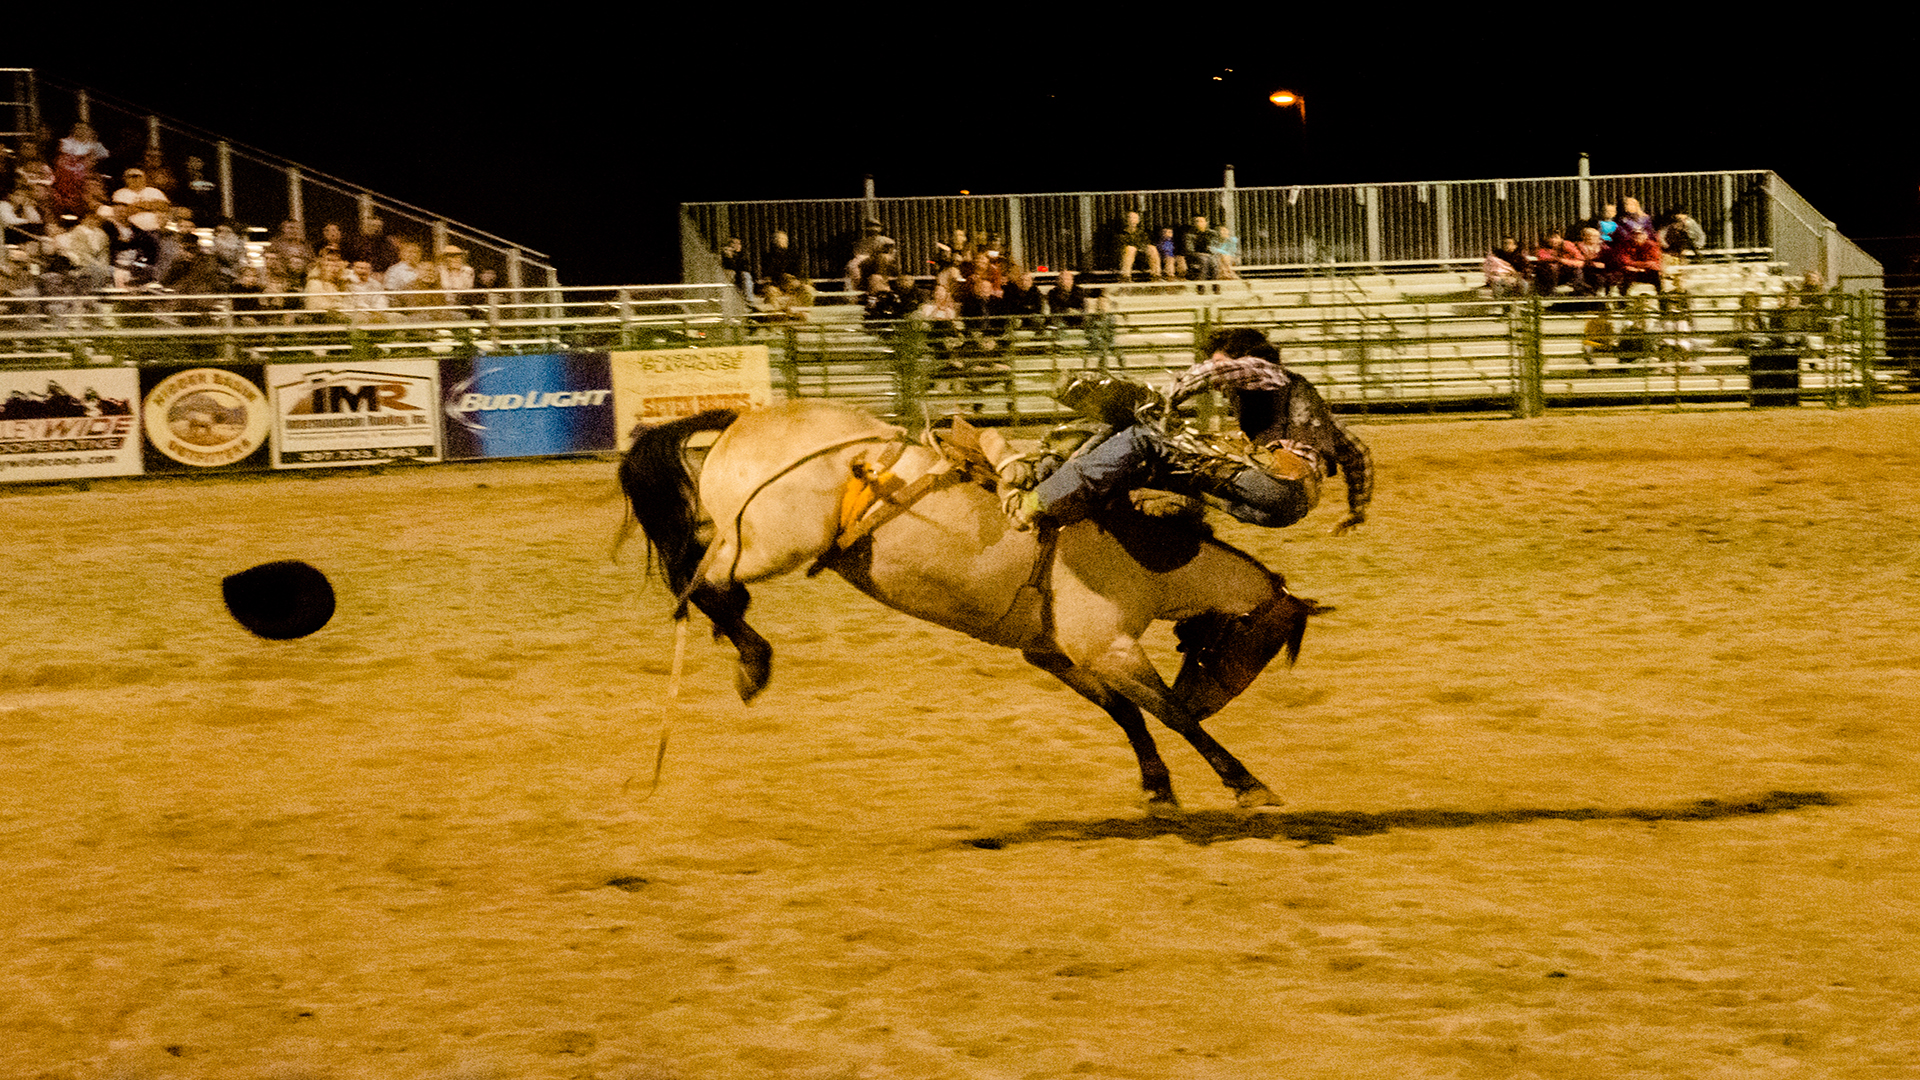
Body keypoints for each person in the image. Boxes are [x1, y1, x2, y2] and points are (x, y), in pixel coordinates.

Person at [1004, 327, 1371, 533]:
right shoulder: (1311, 402)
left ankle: (1040, 497)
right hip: (1290, 508)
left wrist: (1167, 398)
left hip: (1275, 482)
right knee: (1168, 470)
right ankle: (1089, 501)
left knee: (1144, 436)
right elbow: (1358, 453)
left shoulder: (1263, 370)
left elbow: (1215, 372)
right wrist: (1357, 509)